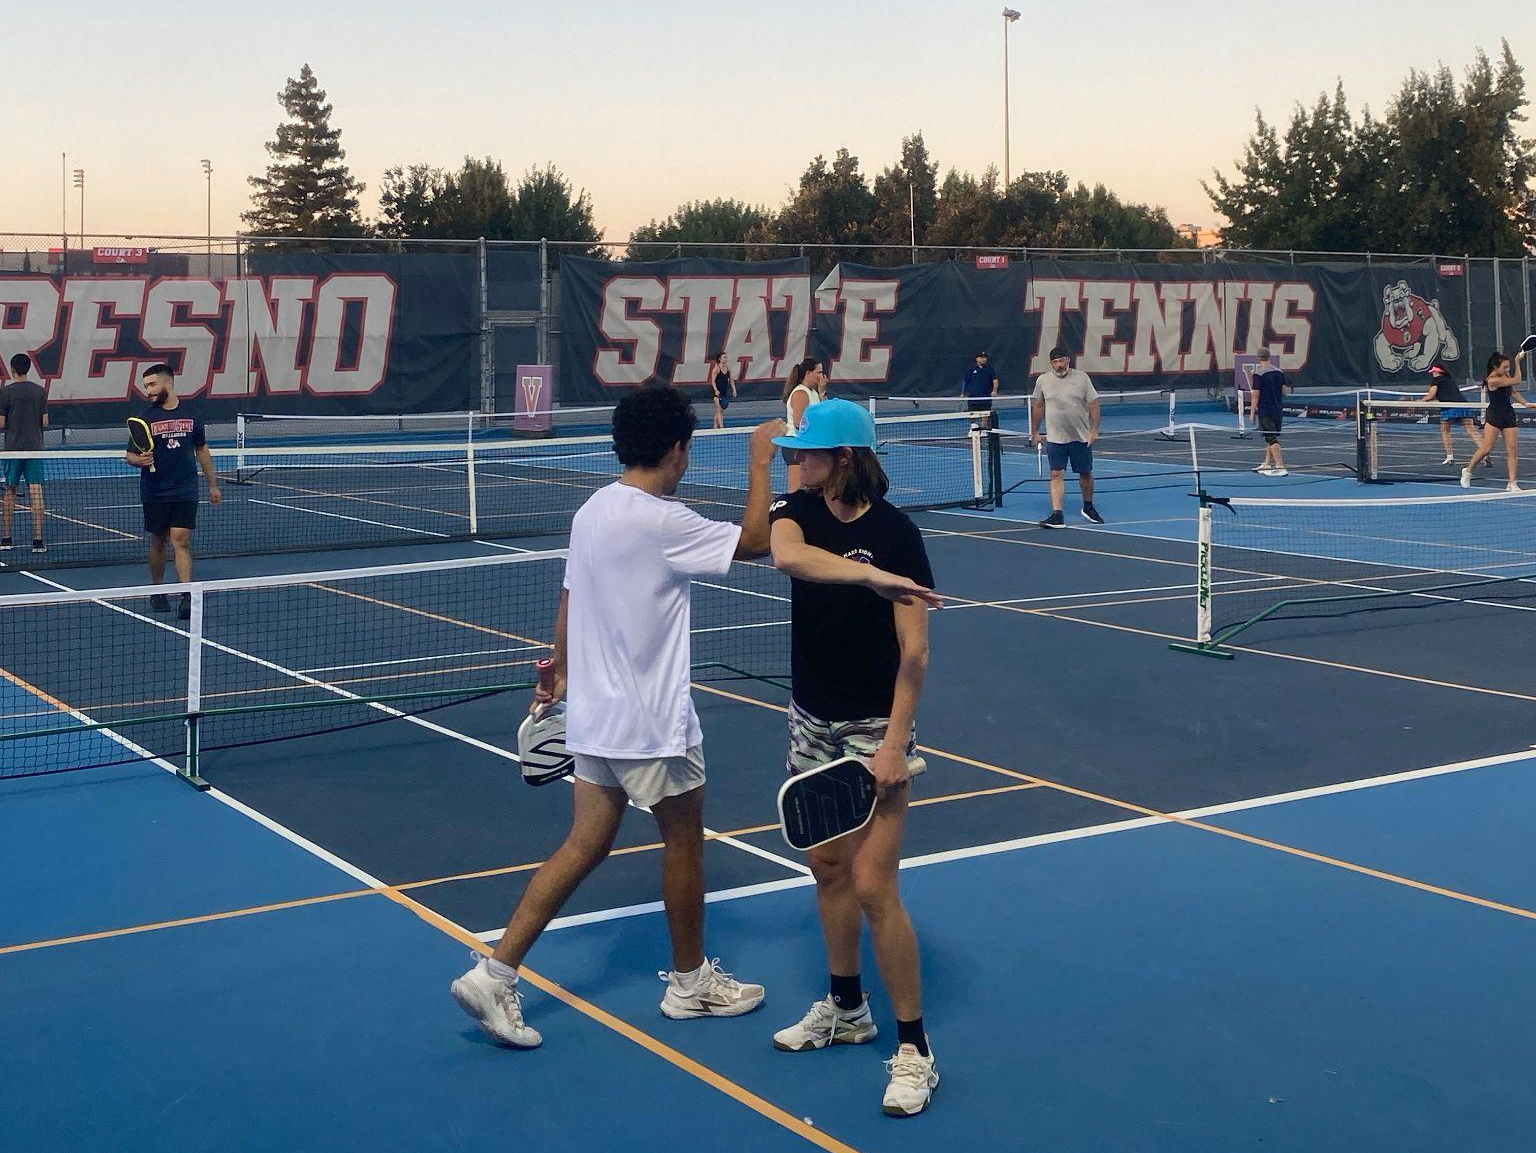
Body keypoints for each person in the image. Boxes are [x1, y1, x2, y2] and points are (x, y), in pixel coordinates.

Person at [452, 388, 784, 1049]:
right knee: (684, 842)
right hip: (652, 724)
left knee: (586, 843)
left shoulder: (593, 511)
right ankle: (690, 984)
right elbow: (754, 539)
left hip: (594, 719)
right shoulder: (662, 519)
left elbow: (571, 597)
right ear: (677, 450)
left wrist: (561, 674)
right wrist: (759, 459)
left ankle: (496, 970)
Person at [767, 398, 946, 1118]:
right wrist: (868, 577)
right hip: (811, 716)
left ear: (843, 457)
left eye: (805, 452)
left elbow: (916, 650)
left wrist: (897, 742)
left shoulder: (897, 533)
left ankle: (915, 1049)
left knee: (873, 883)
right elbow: (785, 555)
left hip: (876, 723)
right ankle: (847, 1007)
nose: (794, 461)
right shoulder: (798, 508)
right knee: (828, 866)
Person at [123, 364, 222, 619]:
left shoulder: (191, 413)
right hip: (155, 491)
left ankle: (186, 596)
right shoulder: (145, 419)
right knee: (159, 542)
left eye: (152, 385)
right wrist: (139, 461)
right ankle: (158, 590)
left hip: (185, 489)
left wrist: (213, 484)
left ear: (168, 383)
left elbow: (202, 449)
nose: (148, 391)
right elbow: (130, 456)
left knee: (181, 540)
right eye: (145, 386)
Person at [1030, 346, 1103, 527]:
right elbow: (1038, 407)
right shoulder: (1043, 380)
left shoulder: (1082, 378)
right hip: (1056, 438)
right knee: (1056, 474)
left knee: (1085, 473)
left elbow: (1093, 404)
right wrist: (1034, 432)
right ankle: (1057, 514)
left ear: (1068, 360)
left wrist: (1094, 430)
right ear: (1051, 363)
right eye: (1055, 362)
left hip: (1080, 437)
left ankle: (1088, 506)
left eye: (1061, 361)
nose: (1059, 365)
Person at [1462, 349, 1533, 491]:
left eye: (1509, 367)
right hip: (1494, 416)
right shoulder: (1492, 380)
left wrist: (1526, 403)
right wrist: (1517, 361)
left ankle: (1512, 483)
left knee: (1512, 449)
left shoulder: (1504, 375)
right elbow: (1517, 380)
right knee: (1486, 448)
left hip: (1508, 415)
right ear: (1495, 367)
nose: (1507, 369)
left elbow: (1512, 390)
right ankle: (1468, 471)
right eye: (1505, 367)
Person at [0, 353, 49, 554]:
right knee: (36, 492)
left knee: (10, 491)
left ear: (12, 369)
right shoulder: (39, 391)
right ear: (28, 369)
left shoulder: (6, 392)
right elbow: (45, 422)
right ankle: (38, 541)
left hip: (12, 450)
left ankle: (5, 539)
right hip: (35, 448)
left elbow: (1, 423)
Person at [1419, 365, 1482, 468]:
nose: (1433, 374)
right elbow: (1447, 395)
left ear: (1438, 372)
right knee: (1472, 431)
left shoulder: (1436, 380)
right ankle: (1484, 453)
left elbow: (1431, 395)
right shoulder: (1450, 381)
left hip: (1449, 408)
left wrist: (1419, 402)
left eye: (1434, 372)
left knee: (1445, 431)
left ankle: (1450, 457)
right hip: (1463, 406)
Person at [782, 356, 827, 492]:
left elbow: (826, 413)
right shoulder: (801, 393)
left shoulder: (814, 392)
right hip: (795, 444)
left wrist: (822, 392)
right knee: (796, 491)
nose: (822, 376)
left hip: (808, 445)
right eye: (818, 372)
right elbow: (798, 423)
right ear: (808, 373)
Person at [1248, 348, 1289, 477]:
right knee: (1271, 436)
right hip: (1277, 409)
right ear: (1269, 357)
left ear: (1259, 358)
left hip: (1265, 409)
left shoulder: (1258, 374)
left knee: (1271, 438)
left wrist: (1252, 412)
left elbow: (1255, 394)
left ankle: (1280, 465)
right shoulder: (1279, 372)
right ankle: (1266, 463)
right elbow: (1285, 392)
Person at [709, 352, 737, 429]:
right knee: (719, 409)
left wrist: (734, 389)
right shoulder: (716, 369)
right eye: (724, 357)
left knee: (720, 409)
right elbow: (713, 381)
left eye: (726, 357)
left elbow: (731, 380)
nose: (726, 359)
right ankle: (721, 426)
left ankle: (715, 424)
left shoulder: (728, 368)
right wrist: (715, 390)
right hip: (716, 392)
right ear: (719, 359)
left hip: (723, 391)